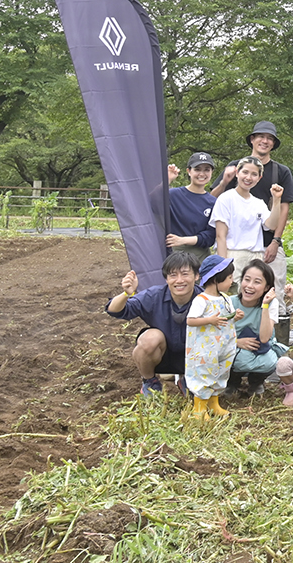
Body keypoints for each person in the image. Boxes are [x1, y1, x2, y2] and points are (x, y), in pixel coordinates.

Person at [218, 121, 293, 338]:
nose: (264, 141)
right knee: (233, 289)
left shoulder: (281, 171)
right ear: (252, 139)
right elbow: (214, 198)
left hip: (266, 242)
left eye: (269, 138)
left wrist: (275, 241)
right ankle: (233, 338)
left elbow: (284, 208)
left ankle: (275, 341)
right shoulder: (234, 167)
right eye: (260, 136)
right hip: (235, 245)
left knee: (275, 288)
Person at [106, 249, 201, 397]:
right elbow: (115, 310)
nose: (179, 280)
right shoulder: (154, 296)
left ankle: (190, 380)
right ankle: (149, 381)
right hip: (162, 356)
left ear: (196, 276)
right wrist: (126, 293)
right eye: (173, 275)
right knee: (150, 338)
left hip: (194, 358)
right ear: (166, 279)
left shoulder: (206, 300)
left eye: (185, 274)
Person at [213, 157, 283, 340]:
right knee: (229, 302)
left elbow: (271, 224)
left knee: (251, 301)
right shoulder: (226, 199)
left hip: (255, 258)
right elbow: (220, 235)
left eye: (254, 174)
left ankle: (250, 336)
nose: (248, 177)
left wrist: (276, 201)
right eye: (245, 172)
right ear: (237, 173)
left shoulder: (258, 202)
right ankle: (229, 341)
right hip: (232, 256)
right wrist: (223, 267)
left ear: (259, 178)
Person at [184, 254, 242, 420]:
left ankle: (213, 403)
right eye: (229, 277)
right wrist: (210, 320)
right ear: (216, 279)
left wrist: (235, 315)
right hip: (205, 348)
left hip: (224, 345)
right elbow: (190, 320)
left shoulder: (225, 298)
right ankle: (199, 407)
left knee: (220, 371)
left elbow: (227, 316)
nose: (231, 281)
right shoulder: (201, 300)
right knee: (204, 372)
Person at [228, 261, 279, 396]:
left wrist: (265, 306)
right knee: (237, 358)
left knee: (270, 361)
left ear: (266, 287)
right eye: (247, 279)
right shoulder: (230, 303)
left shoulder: (271, 304)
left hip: (259, 349)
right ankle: (231, 382)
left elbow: (264, 338)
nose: (250, 286)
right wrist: (236, 342)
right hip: (233, 349)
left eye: (257, 282)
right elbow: (216, 336)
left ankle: (255, 382)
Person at [165, 152, 219, 263]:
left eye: (206, 170)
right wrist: (167, 180)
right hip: (174, 255)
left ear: (212, 172)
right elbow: (152, 203)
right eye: (197, 169)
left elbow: (210, 236)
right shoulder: (174, 195)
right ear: (189, 171)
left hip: (200, 257)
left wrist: (183, 240)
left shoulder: (214, 202)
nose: (202, 174)